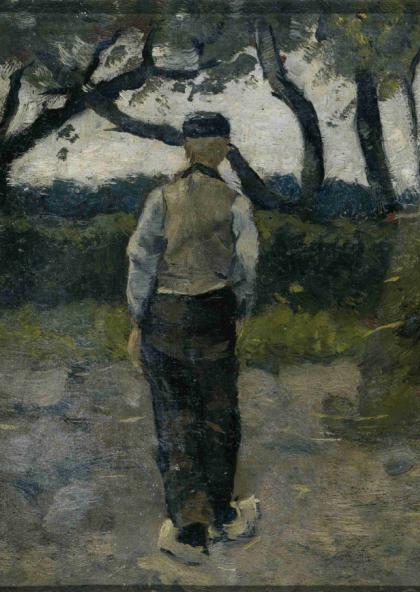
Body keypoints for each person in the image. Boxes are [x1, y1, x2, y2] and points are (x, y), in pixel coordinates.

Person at [126, 112, 259, 562]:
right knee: (219, 416)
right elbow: (246, 267)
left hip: (165, 314)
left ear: (186, 147)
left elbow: (142, 261)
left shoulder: (160, 199)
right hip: (214, 312)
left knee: (175, 419)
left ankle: (190, 528)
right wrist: (240, 311)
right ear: (223, 149)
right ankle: (222, 514)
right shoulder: (235, 202)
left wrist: (138, 320)